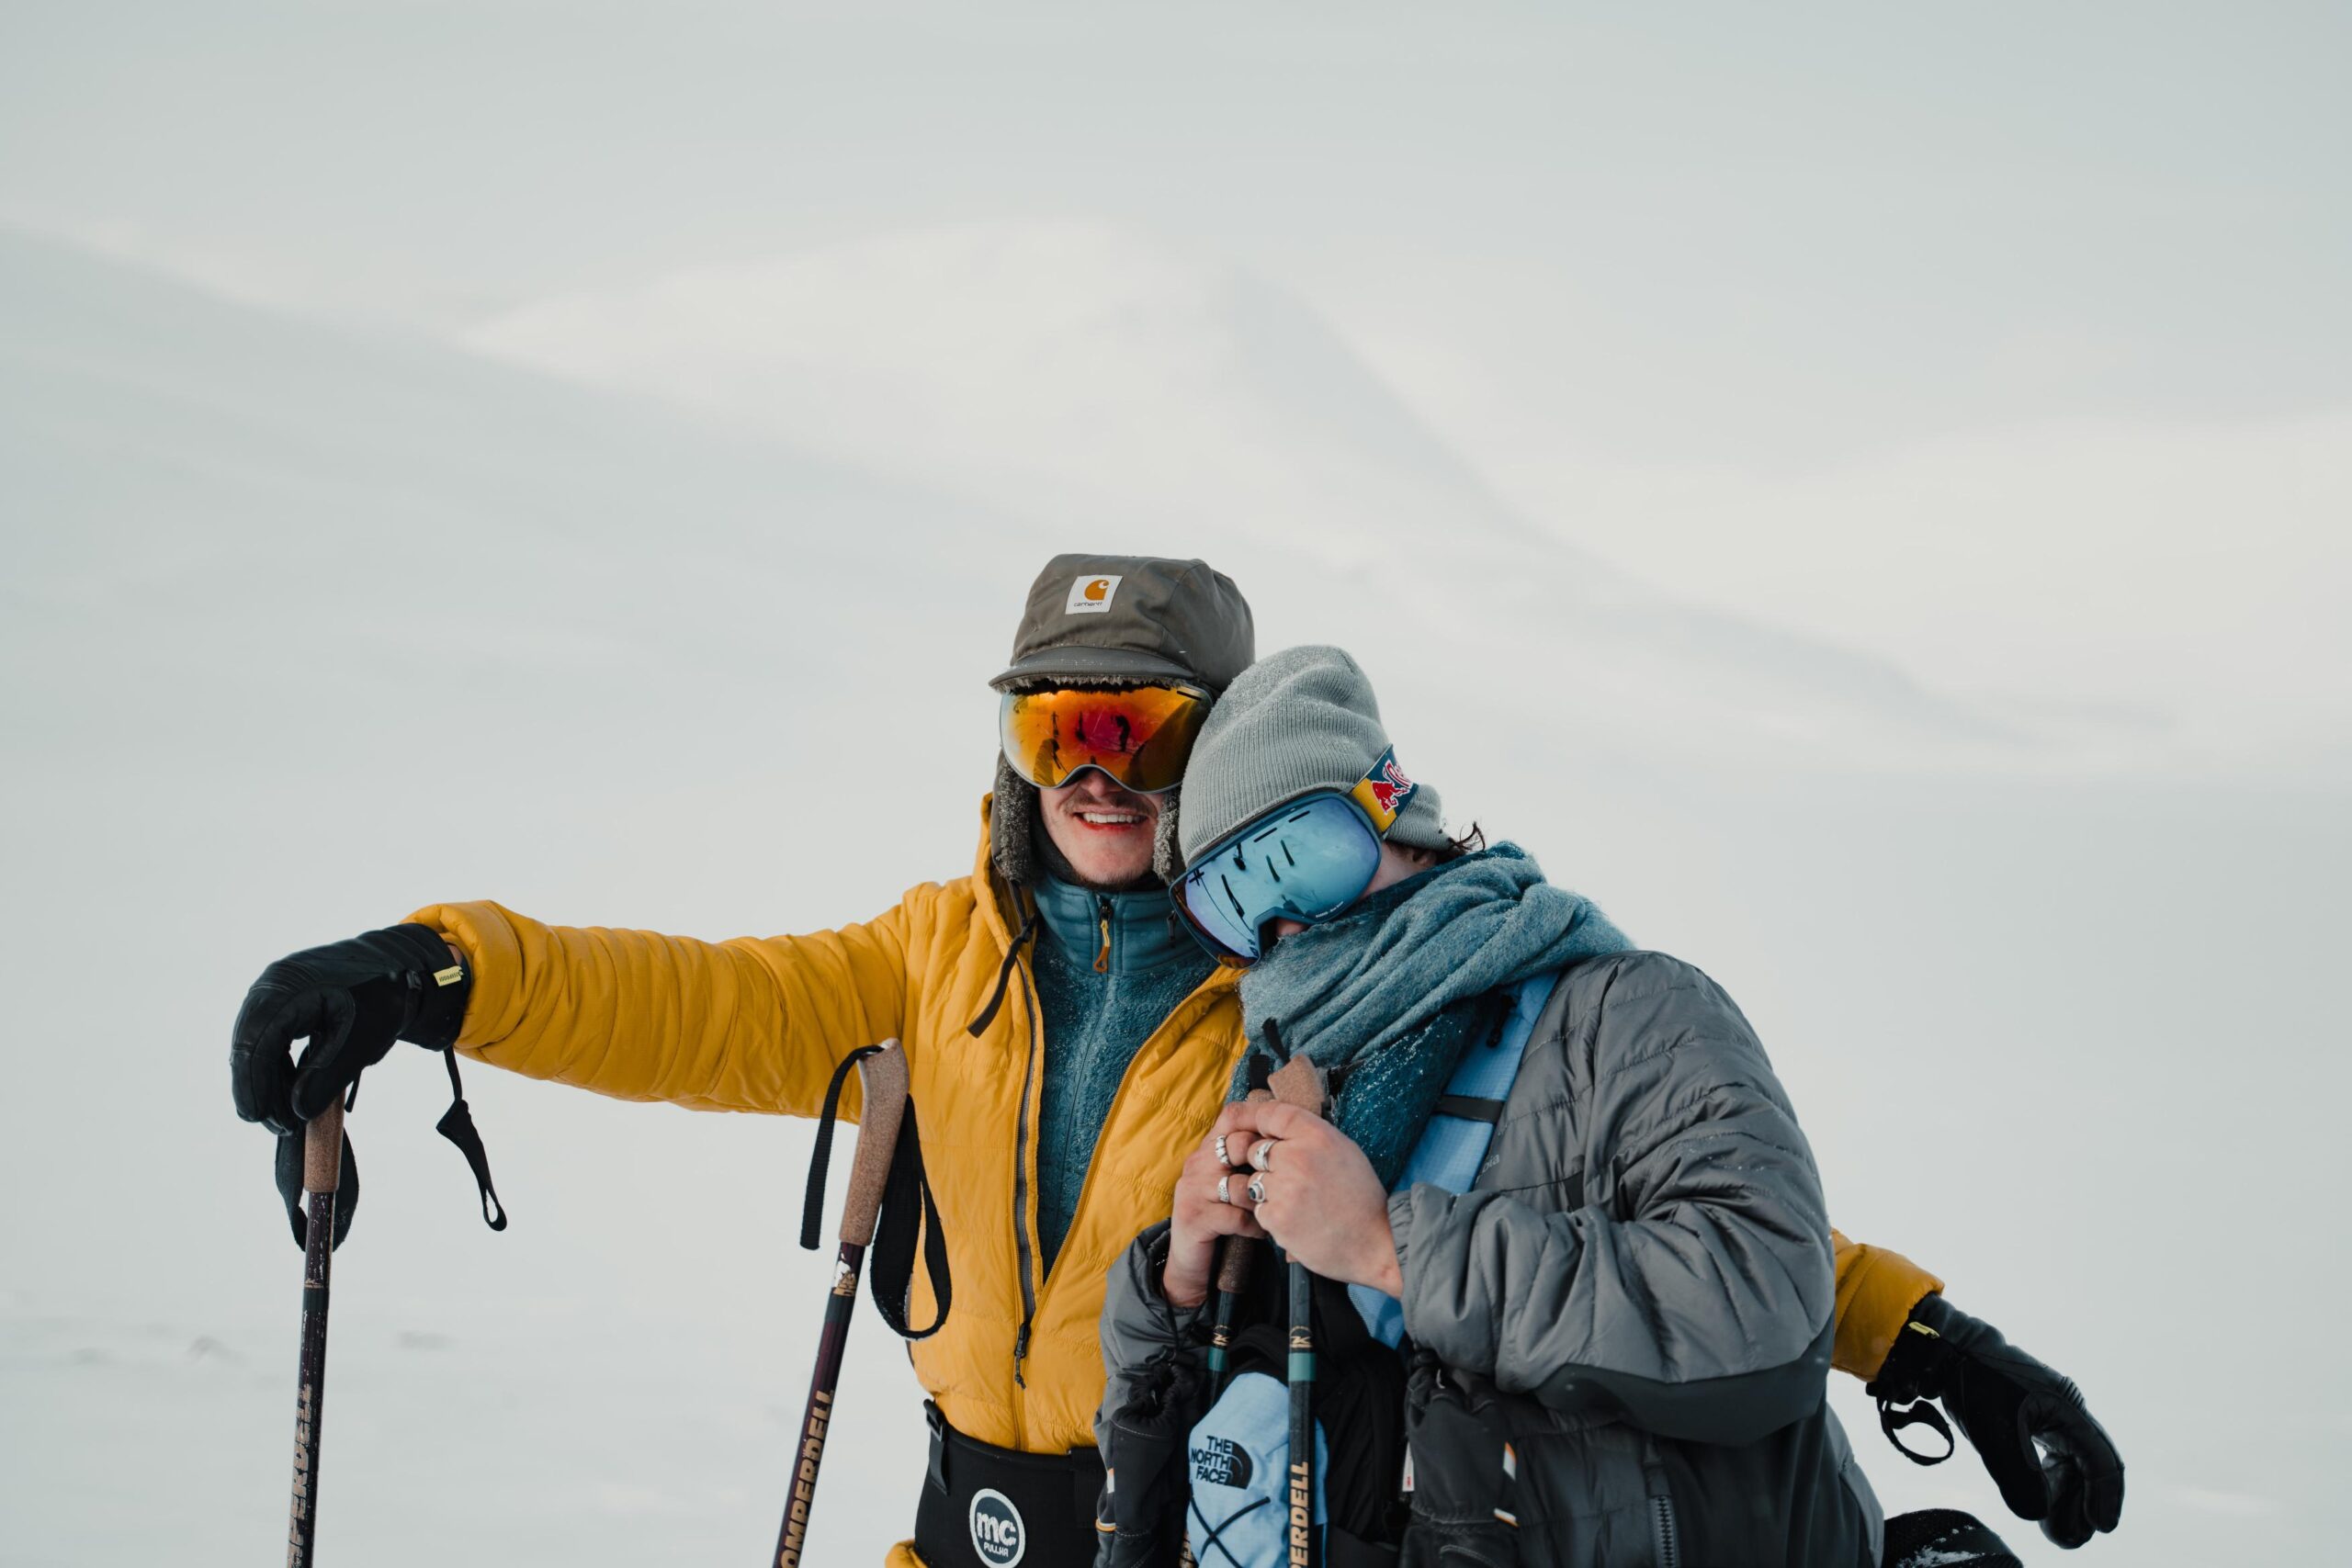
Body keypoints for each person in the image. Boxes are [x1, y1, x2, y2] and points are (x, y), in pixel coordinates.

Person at [225, 561, 2092, 1568]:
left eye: (1136, 724)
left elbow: (1584, 1195)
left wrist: (1928, 1344)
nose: (1094, 765)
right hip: (962, 1531)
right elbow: (682, 1001)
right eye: (1056, 722)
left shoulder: (1302, 1004)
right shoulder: (927, 953)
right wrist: (441, 970)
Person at [1097, 646, 2123, 1567]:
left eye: (1304, 857)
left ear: (1394, 814)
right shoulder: (1277, 1081)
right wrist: (1177, 1282)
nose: (1284, 924)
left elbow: (1759, 1290)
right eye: (1231, 898)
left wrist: (1389, 1249)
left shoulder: (1628, 1014)